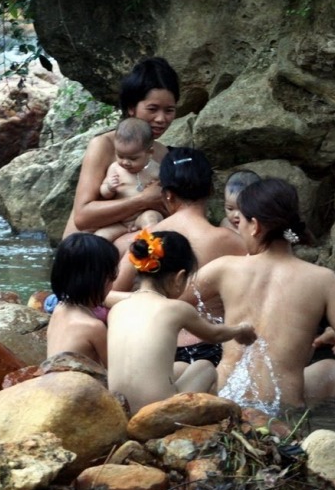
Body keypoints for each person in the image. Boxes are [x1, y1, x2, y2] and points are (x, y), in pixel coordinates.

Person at [188, 178, 335, 410]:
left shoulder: (224, 268)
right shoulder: (323, 279)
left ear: (254, 226)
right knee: (331, 369)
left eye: (241, 223)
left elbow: (167, 300)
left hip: (227, 400)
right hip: (282, 408)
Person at [109, 146, 247, 368]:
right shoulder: (233, 242)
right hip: (211, 349)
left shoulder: (147, 239)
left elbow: (108, 294)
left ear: (167, 194)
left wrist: (150, 302)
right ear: (211, 189)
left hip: (156, 347)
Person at [107, 229, 257, 413]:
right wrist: (240, 329)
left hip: (120, 410)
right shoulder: (177, 308)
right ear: (178, 278)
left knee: (180, 367)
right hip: (159, 413)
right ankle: (215, 422)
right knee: (204, 367)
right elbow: (215, 335)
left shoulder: (117, 309)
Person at [62, 57, 179, 247]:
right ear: (131, 108)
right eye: (152, 109)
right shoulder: (103, 145)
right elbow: (82, 216)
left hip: (130, 249)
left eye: (169, 110)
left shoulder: (162, 153)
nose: (161, 118)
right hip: (84, 252)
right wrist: (142, 200)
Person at [45, 233, 118, 366]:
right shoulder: (93, 327)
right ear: (101, 280)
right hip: (76, 385)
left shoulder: (59, 309)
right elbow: (115, 372)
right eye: (111, 277)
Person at [94, 118, 164, 242]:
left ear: (150, 153)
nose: (125, 162)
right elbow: (103, 192)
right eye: (120, 156)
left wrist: (158, 187)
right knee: (100, 237)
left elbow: (164, 194)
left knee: (151, 219)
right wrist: (109, 187)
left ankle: (150, 249)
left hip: (143, 215)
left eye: (133, 158)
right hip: (120, 220)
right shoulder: (115, 168)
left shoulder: (156, 170)